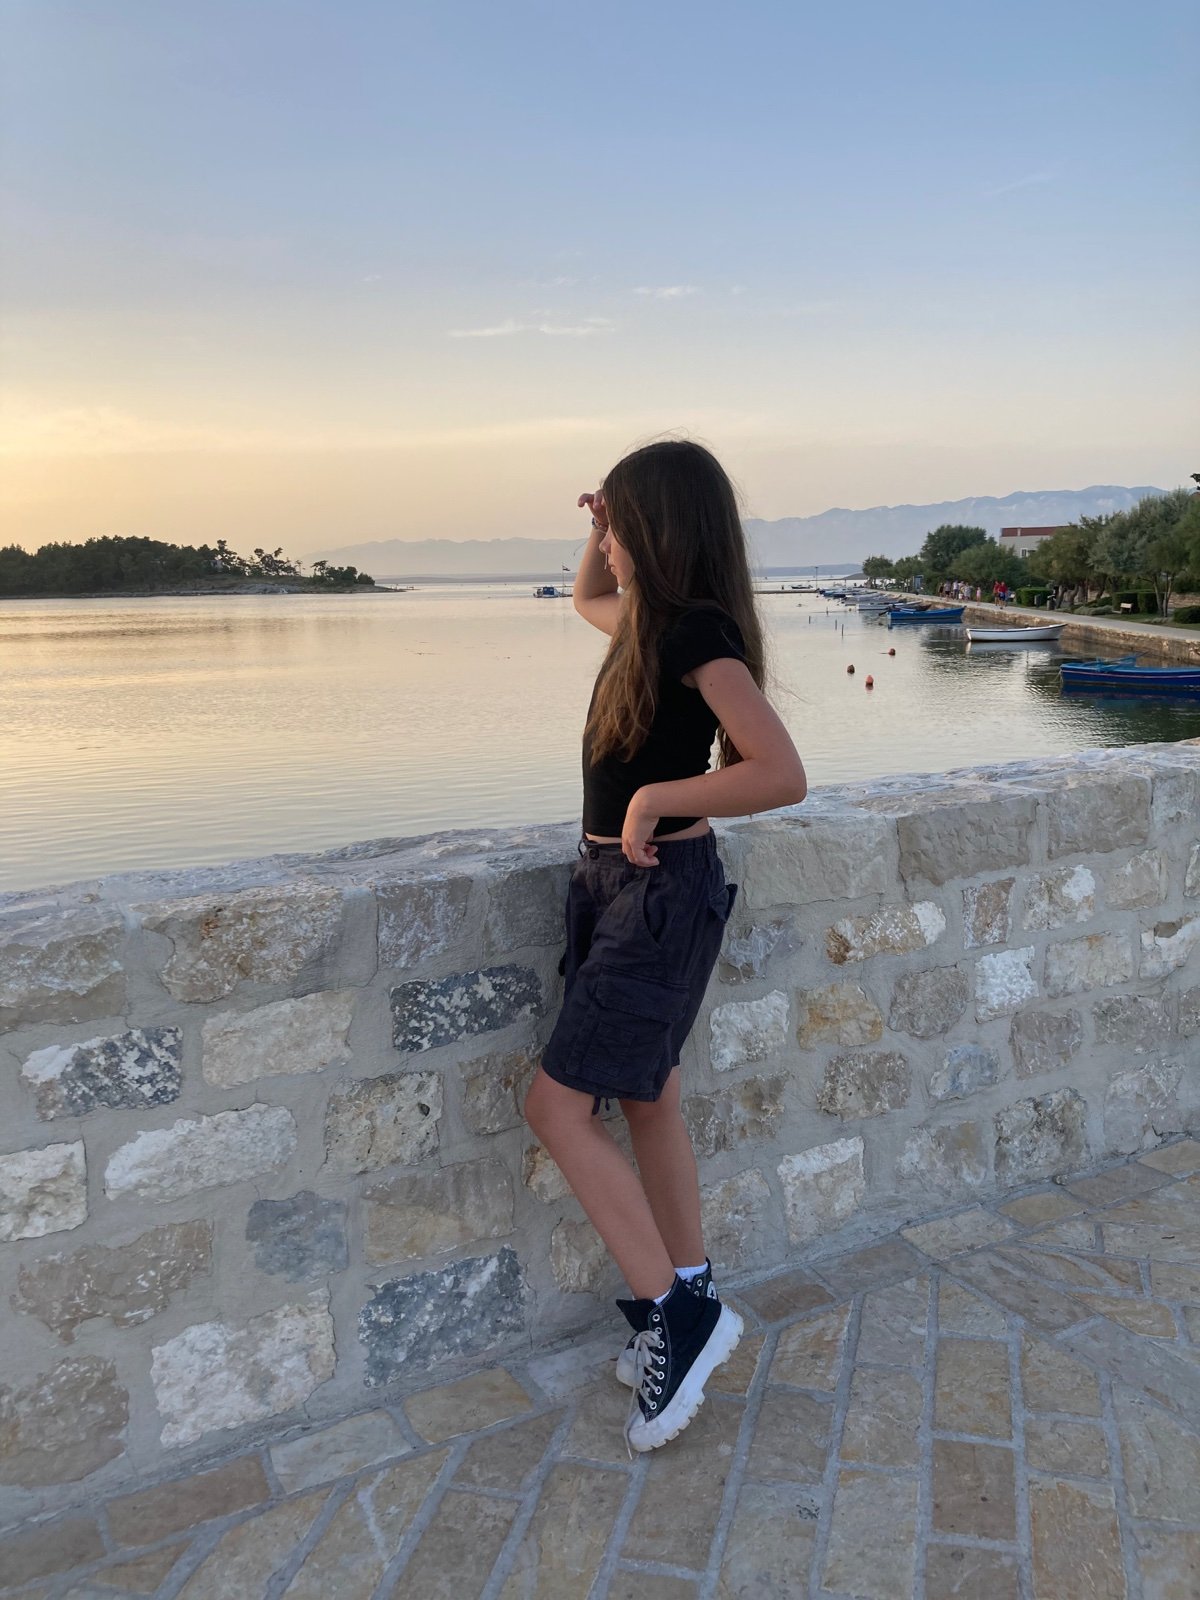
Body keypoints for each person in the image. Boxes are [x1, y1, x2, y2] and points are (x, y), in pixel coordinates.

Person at [524, 440, 808, 1454]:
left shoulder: (695, 631)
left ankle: (676, 1322)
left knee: (555, 1106)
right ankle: (688, 1289)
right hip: (614, 887)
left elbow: (779, 771)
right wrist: (597, 531)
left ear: (663, 528)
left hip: (656, 892)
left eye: (623, 524)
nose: (609, 545)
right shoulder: (644, 622)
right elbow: (584, 598)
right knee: (648, 1096)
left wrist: (654, 796)